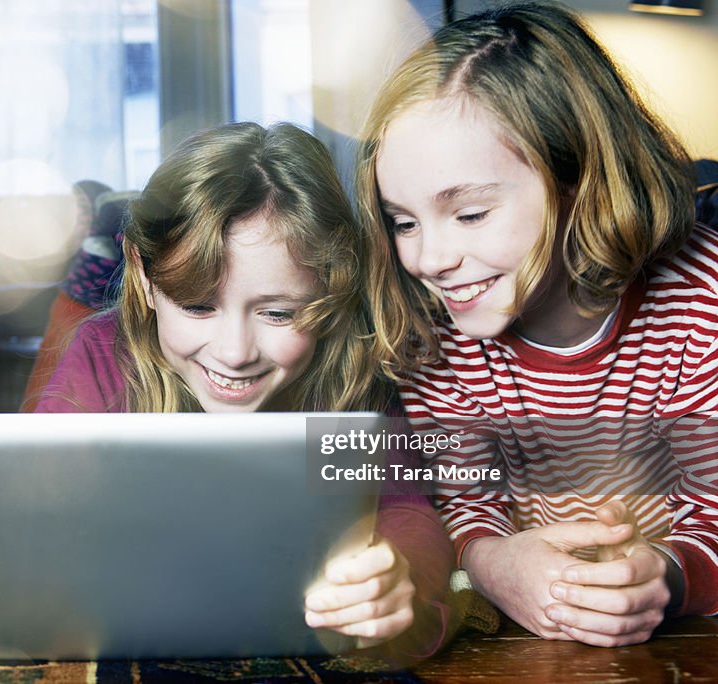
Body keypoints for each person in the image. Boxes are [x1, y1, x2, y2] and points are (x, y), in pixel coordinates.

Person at [356, 0, 718, 648]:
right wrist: (494, 565)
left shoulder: (700, 301)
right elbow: (464, 501)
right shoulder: (430, 328)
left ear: (581, 182)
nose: (428, 259)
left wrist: (663, 577)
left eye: (468, 214)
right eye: (403, 221)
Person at [36, 121, 453, 659]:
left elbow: (408, 509)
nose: (235, 352)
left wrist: (399, 575)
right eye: (197, 306)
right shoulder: (100, 353)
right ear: (142, 275)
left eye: (278, 313)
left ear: (332, 283)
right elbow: (39, 499)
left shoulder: (353, 367)